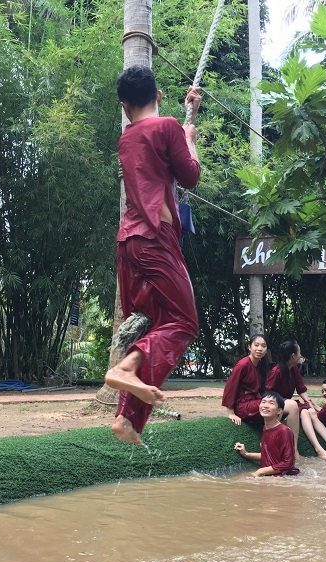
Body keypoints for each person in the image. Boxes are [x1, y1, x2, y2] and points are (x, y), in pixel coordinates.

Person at [104, 66, 202, 445]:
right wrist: (190, 137)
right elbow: (190, 175)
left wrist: (188, 113)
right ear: (158, 96)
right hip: (154, 241)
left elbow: (158, 156)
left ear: (124, 105)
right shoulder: (167, 128)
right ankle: (127, 367)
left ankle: (126, 420)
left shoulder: (127, 138)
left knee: (153, 326)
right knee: (184, 323)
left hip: (127, 245)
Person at [266, 340, 326, 461]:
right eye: (299, 353)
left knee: (310, 411)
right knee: (303, 411)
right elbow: (269, 394)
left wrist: (308, 402)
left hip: (289, 402)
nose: (300, 355)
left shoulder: (294, 369)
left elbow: (300, 388)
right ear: (293, 356)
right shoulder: (277, 371)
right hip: (279, 402)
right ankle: (319, 450)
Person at [233, 391, 300, 476]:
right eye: (263, 402)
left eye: (271, 403)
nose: (265, 406)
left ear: (279, 411)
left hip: (284, 478)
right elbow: (268, 456)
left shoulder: (284, 431)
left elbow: (288, 463)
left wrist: (260, 472)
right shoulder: (266, 428)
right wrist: (246, 454)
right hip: (270, 476)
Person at [222, 334, 270, 425]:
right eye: (256, 345)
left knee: (283, 405)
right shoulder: (242, 365)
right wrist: (231, 413)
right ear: (249, 347)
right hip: (243, 405)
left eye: (263, 346)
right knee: (275, 406)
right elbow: (230, 388)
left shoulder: (262, 365)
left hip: (257, 400)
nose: (260, 349)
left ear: (266, 349)